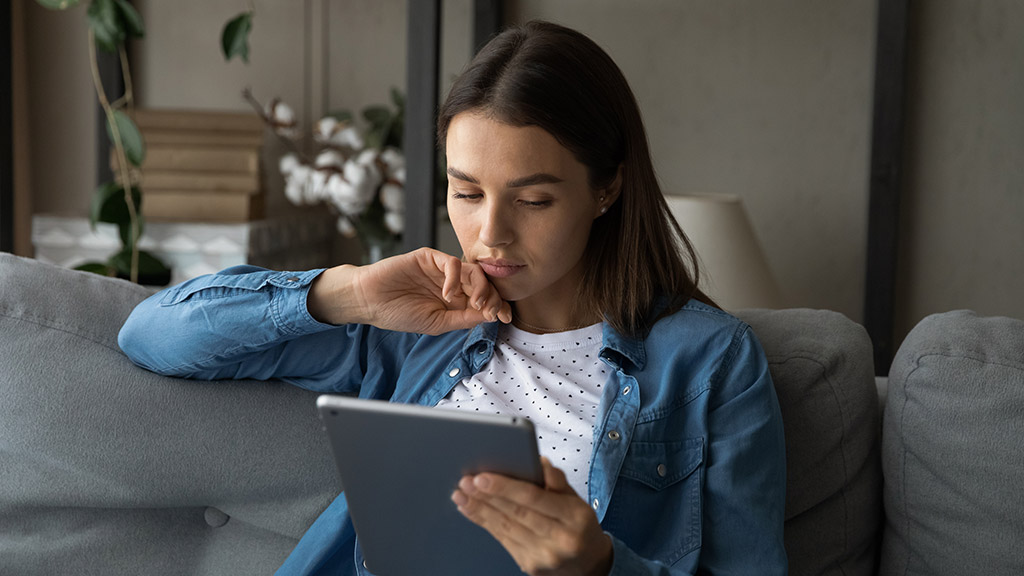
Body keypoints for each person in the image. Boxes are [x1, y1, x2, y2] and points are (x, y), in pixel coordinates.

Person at [119, 20, 786, 576]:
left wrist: (600, 566)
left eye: (534, 199)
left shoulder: (711, 364)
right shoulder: (419, 327)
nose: (490, 233)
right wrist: (349, 292)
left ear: (606, 188)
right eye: (466, 193)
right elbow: (152, 336)